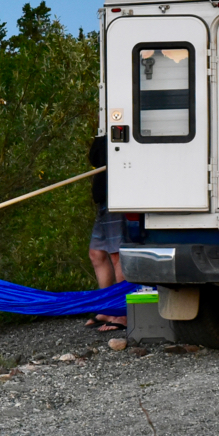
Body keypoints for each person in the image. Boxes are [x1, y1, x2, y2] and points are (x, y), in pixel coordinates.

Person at [87, 134, 127, 332]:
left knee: (117, 255)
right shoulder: (105, 134)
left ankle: (122, 313)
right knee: (96, 253)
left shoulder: (118, 134)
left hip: (117, 198)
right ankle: (107, 307)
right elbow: (95, 158)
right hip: (104, 200)